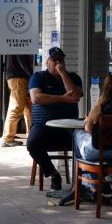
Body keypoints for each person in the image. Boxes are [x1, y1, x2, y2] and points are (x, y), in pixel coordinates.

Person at [27, 47, 83, 192]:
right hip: (43, 126)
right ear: (47, 62)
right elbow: (36, 98)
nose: (58, 62)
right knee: (33, 144)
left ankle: (83, 183)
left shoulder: (73, 77)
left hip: (68, 128)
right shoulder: (38, 77)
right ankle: (54, 174)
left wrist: (63, 74)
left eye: (61, 59)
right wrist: (62, 99)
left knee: (87, 144)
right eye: (54, 59)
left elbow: (76, 96)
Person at [74, 74, 112, 191]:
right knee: (85, 144)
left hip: (99, 152)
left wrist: (89, 120)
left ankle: (94, 185)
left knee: (77, 134)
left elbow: (88, 129)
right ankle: (101, 184)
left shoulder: (101, 108)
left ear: (106, 89)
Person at [1, 55, 33, 147]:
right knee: (17, 107)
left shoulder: (14, 44)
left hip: (16, 76)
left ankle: (30, 135)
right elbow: (22, 59)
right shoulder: (21, 44)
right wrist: (32, 75)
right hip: (19, 77)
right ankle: (8, 138)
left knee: (27, 106)